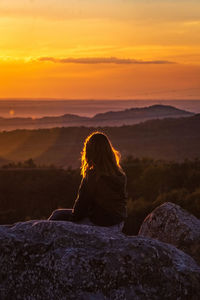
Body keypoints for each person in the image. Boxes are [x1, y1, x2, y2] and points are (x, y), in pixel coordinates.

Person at [48, 131, 127, 231]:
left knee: (57, 215)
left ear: (90, 152)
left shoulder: (93, 175)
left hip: (100, 224)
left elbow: (81, 206)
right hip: (118, 223)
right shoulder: (119, 174)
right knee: (60, 214)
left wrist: (71, 222)